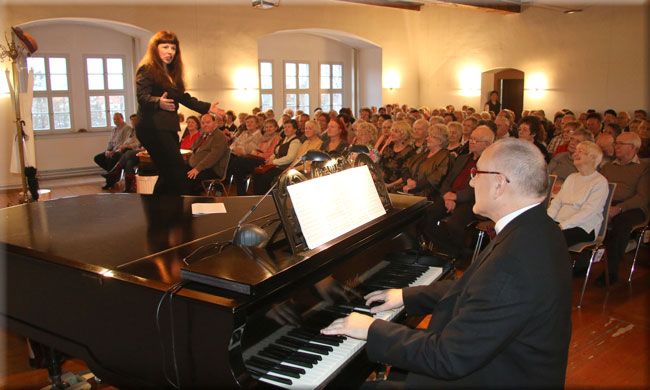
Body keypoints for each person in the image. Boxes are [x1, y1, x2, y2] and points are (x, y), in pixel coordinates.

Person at [321, 138, 572, 389]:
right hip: (496, 363)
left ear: (499, 184)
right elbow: (477, 288)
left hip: (492, 374)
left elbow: (449, 358)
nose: (472, 182)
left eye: (476, 173)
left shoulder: (514, 261)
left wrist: (373, 329)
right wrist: (407, 296)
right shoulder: (538, 228)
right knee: (398, 365)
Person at [134, 30, 224, 195]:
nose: (170, 52)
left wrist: (207, 107)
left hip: (167, 127)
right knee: (176, 172)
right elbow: (142, 97)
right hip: (151, 128)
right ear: (155, 48)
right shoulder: (147, 69)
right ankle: (178, 213)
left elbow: (183, 97)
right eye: (165, 47)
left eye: (173, 48)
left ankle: (158, 213)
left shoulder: (171, 73)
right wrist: (158, 102)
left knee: (168, 173)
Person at [420, 125, 495, 259]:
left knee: (454, 224)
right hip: (449, 197)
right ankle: (452, 251)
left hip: (471, 201)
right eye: (471, 139)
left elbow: (482, 187)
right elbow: (448, 180)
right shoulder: (463, 158)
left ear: (487, 144)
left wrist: (457, 197)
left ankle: (458, 255)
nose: (471, 142)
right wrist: (448, 197)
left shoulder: (491, 164)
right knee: (425, 216)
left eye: (475, 140)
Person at [600, 132, 650, 285]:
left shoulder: (644, 168)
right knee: (587, 216)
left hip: (633, 207)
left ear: (634, 148)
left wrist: (619, 208)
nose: (616, 146)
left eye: (621, 143)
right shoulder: (608, 166)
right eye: (616, 143)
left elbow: (642, 197)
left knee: (621, 224)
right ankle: (582, 263)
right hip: (608, 203)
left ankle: (611, 271)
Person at [548, 141, 609, 249]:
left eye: (580, 151)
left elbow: (588, 212)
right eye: (575, 151)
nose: (575, 154)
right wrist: (548, 220)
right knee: (533, 233)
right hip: (560, 222)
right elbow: (557, 202)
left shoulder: (599, 182)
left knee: (551, 241)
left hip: (583, 226)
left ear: (593, 158)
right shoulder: (572, 177)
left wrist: (562, 226)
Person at [228, 118, 282, 195]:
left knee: (237, 162)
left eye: (271, 127)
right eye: (266, 127)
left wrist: (258, 154)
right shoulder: (264, 137)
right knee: (237, 167)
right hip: (257, 159)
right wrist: (255, 153)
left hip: (266, 161)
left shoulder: (277, 138)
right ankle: (241, 193)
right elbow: (258, 149)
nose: (268, 129)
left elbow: (271, 153)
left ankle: (240, 190)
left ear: (276, 128)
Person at [398, 124, 452, 199]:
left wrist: (416, 184)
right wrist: (408, 180)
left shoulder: (446, 156)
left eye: (431, 137)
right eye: (428, 136)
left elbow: (437, 178)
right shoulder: (423, 154)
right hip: (411, 190)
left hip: (431, 196)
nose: (427, 139)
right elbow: (406, 167)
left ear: (440, 140)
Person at [252, 119, 302, 194]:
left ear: (295, 129)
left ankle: (267, 198)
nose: (286, 129)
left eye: (289, 127)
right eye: (285, 127)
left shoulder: (295, 141)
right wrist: (270, 159)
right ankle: (257, 196)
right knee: (256, 173)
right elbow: (275, 153)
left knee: (265, 177)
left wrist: (273, 161)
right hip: (277, 165)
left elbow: (290, 158)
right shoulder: (283, 140)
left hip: (285, 167)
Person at [185, 113, 229, 195]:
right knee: (176, 173)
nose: (205, 125)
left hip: (212, 169)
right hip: (196, 166)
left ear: (215, 123)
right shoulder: (203, 135)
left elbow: (213, 157)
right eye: (203, 123)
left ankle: (191, 202)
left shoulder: (219, 136)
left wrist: (198, 168)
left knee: (187, 179)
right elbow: (193, 150)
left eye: (208, 122)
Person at [94, 112, 132, 189]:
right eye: (114, 119)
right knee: (98, 158)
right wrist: (107, 151)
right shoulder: (114, 129)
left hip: (120, 151)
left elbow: (124, 142)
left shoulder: (126, 128)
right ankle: (114, 174)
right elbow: (110, 142)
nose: (116, 120)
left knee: (113, 158)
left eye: (118, 118)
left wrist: (113, 151)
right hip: (112, 150)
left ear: (122, 118)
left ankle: (110, 182)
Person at [381, 120, 415, 189]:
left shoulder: (410, 151)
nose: (392, 134)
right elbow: (381, 166)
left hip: (399, 187)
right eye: (392, 130)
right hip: (383, 184)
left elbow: (407, 175)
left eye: (396, 132)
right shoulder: (389, 147)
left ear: (404, 135)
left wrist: (390, 185)